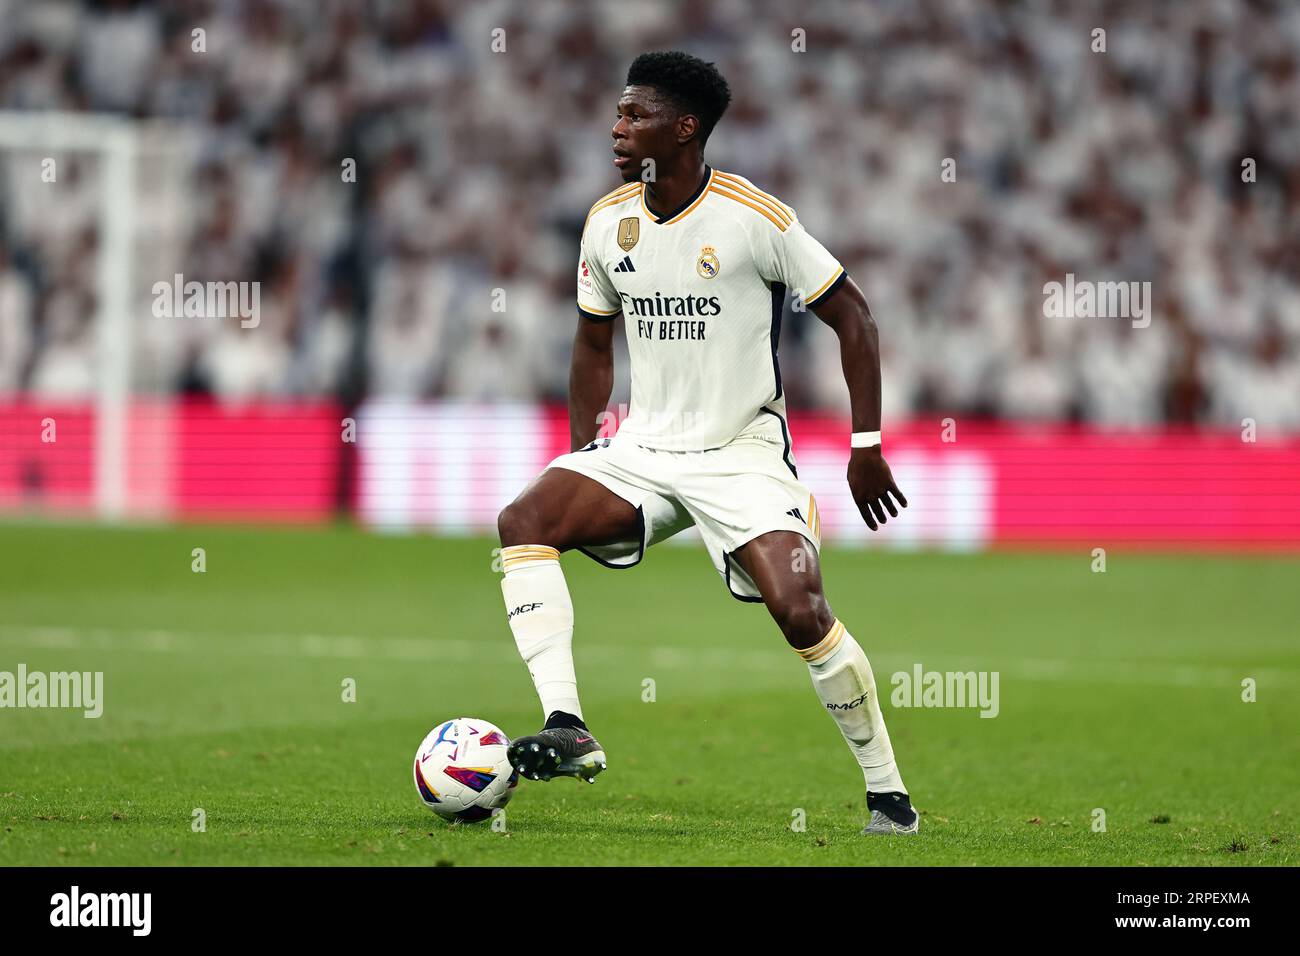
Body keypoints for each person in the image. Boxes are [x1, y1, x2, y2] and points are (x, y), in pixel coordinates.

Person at [497, 51, 917, 835]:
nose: (617, 129)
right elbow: (593, 347)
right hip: (646, 449)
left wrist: (865, 444)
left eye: (634, 115)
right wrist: (586, 447)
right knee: (524, 521)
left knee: (799, 609)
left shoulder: (754, 217)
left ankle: (889, 796)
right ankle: (568, 726)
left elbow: (854, 315)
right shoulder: (606, 222)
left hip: (742, 453)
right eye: (618, 114)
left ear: (683, 127)